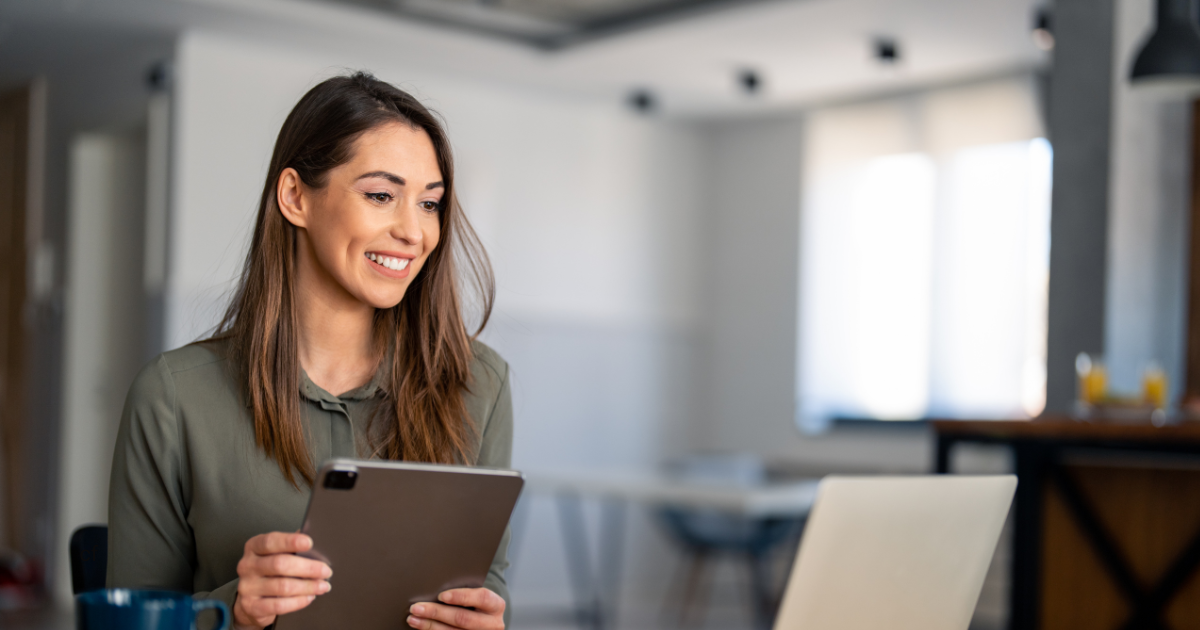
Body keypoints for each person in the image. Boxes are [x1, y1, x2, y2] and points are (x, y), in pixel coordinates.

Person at [107, 72, 512, 630]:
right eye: (380, 195)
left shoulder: (480, 384)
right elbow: (128, 622)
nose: (414, 232)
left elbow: (485, 589)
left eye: (430, 204)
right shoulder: (173, 397)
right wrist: (233, 609)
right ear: (296, 196)